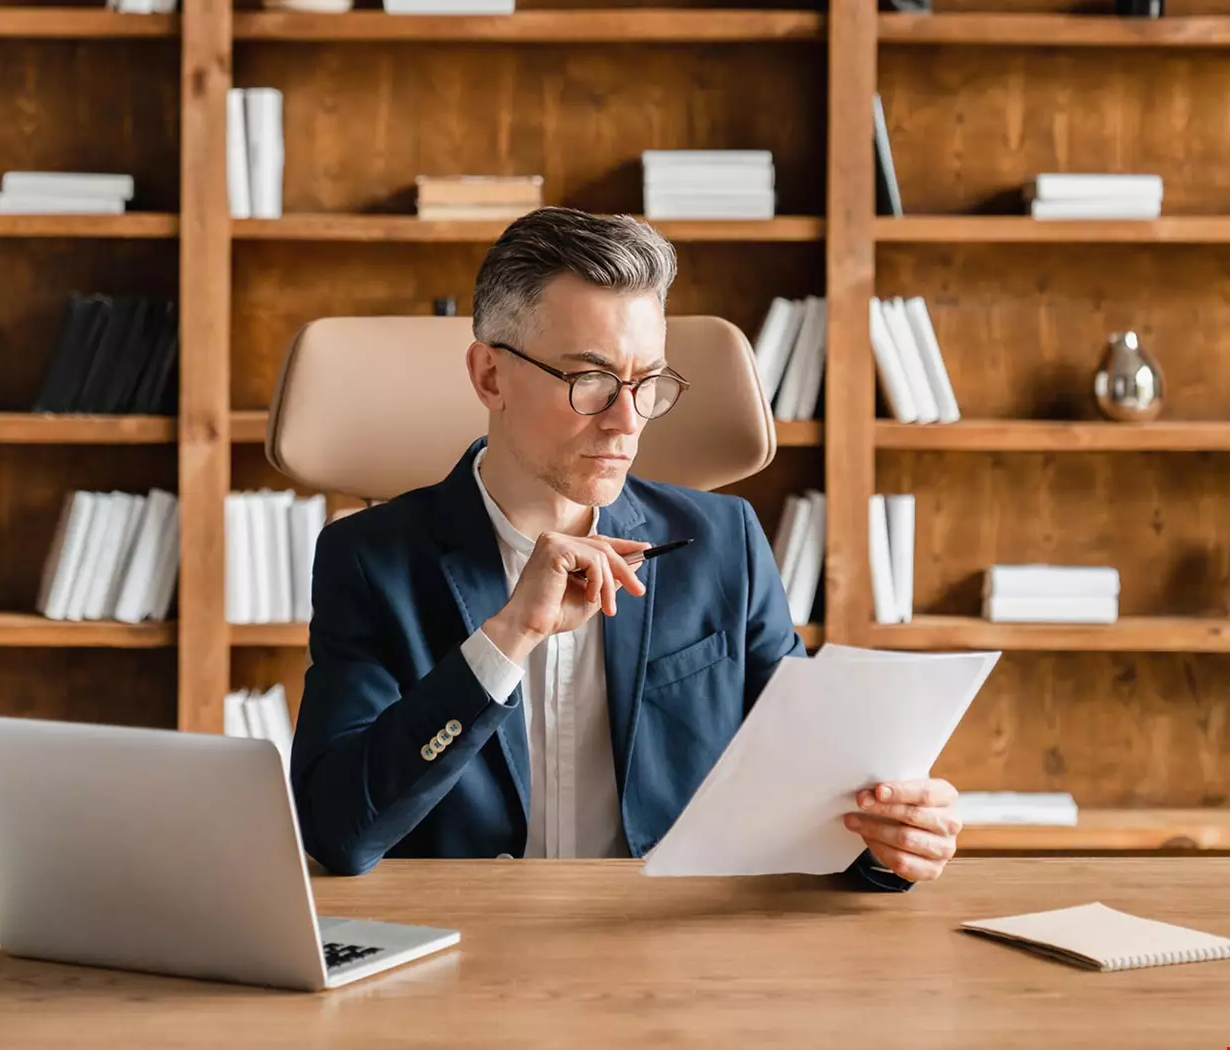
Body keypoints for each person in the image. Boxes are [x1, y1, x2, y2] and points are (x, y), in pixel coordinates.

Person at [291, 206, 961, 888]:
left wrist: (887, 840)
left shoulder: (722, 544)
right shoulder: (368, 561)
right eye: (591, 381)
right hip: (465, 956)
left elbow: (803, 801)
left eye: (647, 384)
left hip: (662, 955)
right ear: (489, 376)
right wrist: (505, 640)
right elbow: (339, 832)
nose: (627, 420)